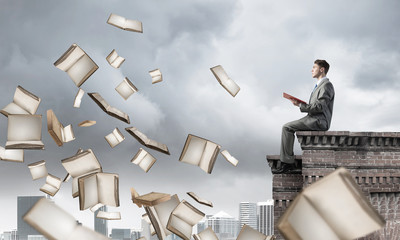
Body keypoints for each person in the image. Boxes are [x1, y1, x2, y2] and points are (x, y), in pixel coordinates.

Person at [276, 59, 335, 174]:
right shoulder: (319, 86)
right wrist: (300, 104)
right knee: (287, 127)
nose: (311, 70)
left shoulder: (327, 85)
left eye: (314, 67)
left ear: (321, 69)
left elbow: (319, 107)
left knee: (287, 127)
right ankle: (287, 161)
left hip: (319, 121)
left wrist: (301, 105)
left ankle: (287, 162)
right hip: (312, 118)